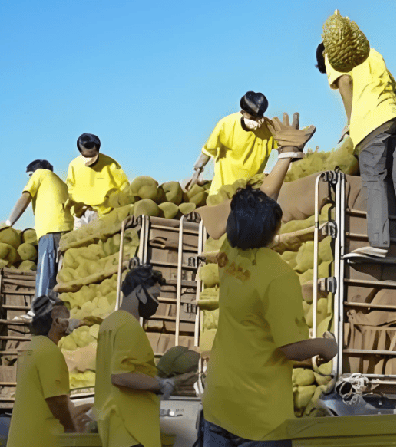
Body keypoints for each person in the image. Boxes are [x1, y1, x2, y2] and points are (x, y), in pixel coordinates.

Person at [199, 113, 337, 446]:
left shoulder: (229, 250)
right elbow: (290, 348)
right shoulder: (278, 276)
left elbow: (259, 202)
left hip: (218, 404)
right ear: (275, 230)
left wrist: (284, 158)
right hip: (258, 417)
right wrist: (326, 345)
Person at [316, 42, 396, 261]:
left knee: (374, 179)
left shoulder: (334, 52)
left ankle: (378, 244)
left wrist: (351, 120)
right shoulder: (372, 52)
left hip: (372, 123)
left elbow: (345, 82)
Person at [94, 266, 192, 447]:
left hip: (113, 425)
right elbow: (120, 376)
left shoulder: (109, 323)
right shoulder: (129, 327)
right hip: (132, 430)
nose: (156, 302)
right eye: (154, 295)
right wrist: (160, 384)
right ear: (139, 291)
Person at [3, 160, 73, 321]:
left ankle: (37, 312)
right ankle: (53, 313)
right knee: (58, 274)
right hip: (67, 231)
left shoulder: (40, 174)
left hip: (50, 229)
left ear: (34, 171)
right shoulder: (60, 182)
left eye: (29, 175)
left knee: (45, 270)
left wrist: (9, 223)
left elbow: (25, 197)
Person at [7, 294, 79, 447]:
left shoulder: (32, 347)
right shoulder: (50, 352)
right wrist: (71, 429)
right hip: (40, 440)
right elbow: (56, 401)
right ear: (56, 321)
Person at [190, 91, 276, 196]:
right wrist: (197, 171)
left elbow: (285, 147)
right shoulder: (226, 124)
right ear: (243, 112)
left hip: (250, 193)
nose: (256, 122)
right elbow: (208, 150)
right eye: (252, 117)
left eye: (259, 118)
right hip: (223, 192)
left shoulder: (268, 129)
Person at [67, 133, 129, 226]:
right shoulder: (74, 164)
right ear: (81, 152)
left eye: (93, 155)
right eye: (87, 156)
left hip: (103, 213)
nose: (91, 159)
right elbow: (70, 187)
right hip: (80, 213)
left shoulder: (110, 163)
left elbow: (123, 185)